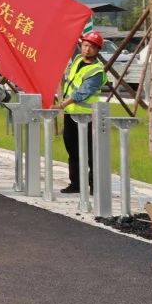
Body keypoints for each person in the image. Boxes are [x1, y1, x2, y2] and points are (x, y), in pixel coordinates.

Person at [56, 30, 105, 195]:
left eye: (92, 47)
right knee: (72, 150)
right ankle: (75, 183)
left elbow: (82, 92)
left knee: (91, 152)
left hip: (88, 116)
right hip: (71, 114)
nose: (87, 49)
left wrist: (62, 104)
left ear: (97, 50)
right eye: (85, 45)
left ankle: (94, 186)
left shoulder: (96, 71)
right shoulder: (77, 59)